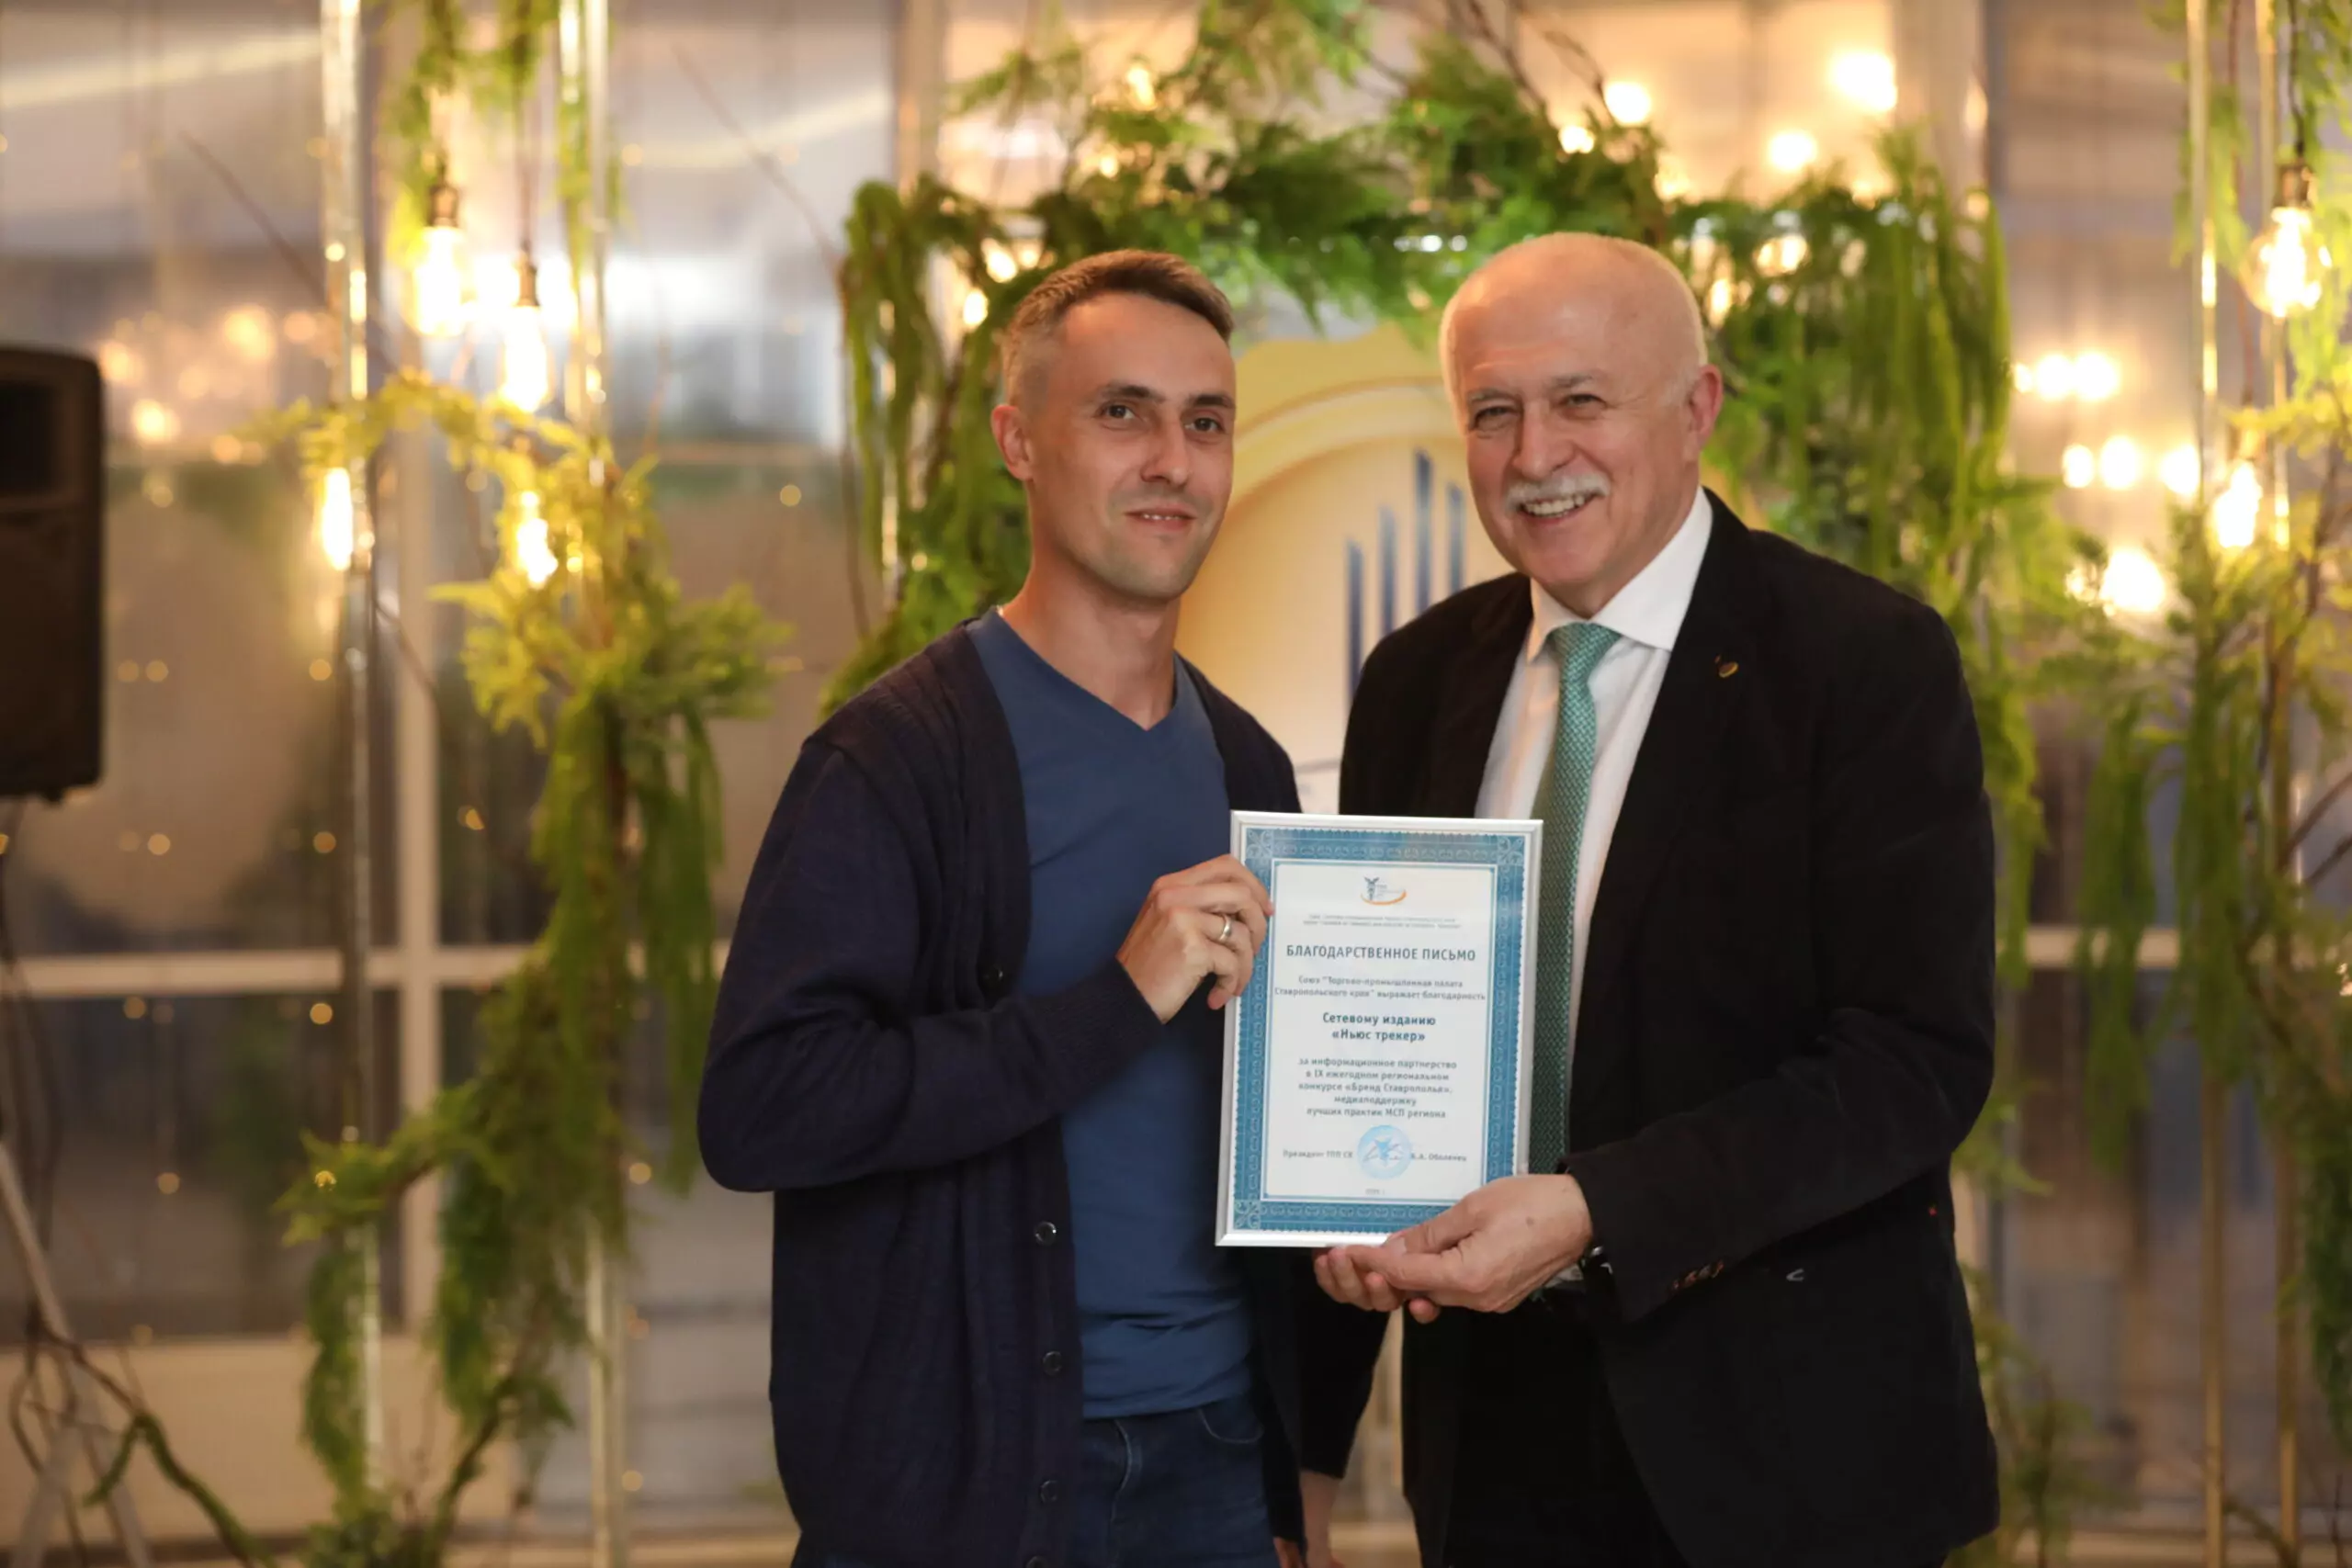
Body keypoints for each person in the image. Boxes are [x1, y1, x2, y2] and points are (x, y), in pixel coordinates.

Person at [1295, 233, 1999, 1568]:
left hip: (1790, 1458)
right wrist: (1311, 1458)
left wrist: (1598, 1210)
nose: (1534, 453)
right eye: (1492, 412)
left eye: (1581, 400)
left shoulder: (1863, 663)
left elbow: (1913, 1063)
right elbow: (1362, 1037)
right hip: (1493, 1450)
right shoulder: (1416, 679)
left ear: (1697, 408)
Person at [701, 250, 1313, 1568]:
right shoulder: (900, 759)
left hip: (1211, 1455)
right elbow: (764, 1107)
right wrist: (1114, 1002)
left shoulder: (1249, 769)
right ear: (1018, 441)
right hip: (961, 1470)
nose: (1174, 460)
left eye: (1206, 422)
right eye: (1122, 412)